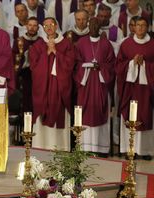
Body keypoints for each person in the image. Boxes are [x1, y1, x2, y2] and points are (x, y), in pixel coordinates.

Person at [29, 17, 75, 151]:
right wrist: (47, 53)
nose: (48, 28)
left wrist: (56, 52)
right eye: (45, 25)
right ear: (42, 28)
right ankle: (40, 146)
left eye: (51, 25)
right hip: (43, 88)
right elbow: (34, 67)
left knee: (60, 111)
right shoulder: (38, 45)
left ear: (56, 26)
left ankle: (61, 147)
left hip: (59, 89)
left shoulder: (66, 44)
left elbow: (70, 64)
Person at [74, 17, 116, 156]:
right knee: (85, 113)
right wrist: (86, 66)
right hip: (86, 84)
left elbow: (111, 64)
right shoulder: (81, 43)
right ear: (88, 25)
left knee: (100, 111)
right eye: (91, 24)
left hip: (100, 84)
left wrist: (101, 67)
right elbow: (76, 63)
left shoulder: (106, 44)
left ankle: (101, 148)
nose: (93, 27)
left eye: (96, 25)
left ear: (100, 27)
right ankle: (85, 148)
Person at [116, 17, 154, 160]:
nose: (140, 28)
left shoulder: (152, 44)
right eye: (138, 25)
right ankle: (129, 149)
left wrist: (145, 64)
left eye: (143, 25)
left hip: (146, 90)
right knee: (130, 115)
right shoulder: (126, 44)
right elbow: (118, 65)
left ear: (148, 27)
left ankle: (145, 150)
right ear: (134, 27)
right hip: (130, 88)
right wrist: (132, 63)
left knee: (145, 116)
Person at [13, 16, 40, 113]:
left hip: (38, 75)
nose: (32, 28)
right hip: (24, 74)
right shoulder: (19, 41)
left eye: (34, 26)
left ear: (38, 28)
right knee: (25, 99)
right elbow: (14, 60)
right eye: (30, 25)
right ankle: (24, 121)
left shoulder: (41, 41)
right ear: (26, 26)